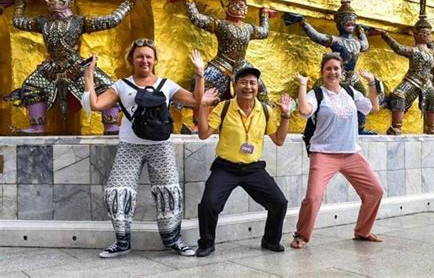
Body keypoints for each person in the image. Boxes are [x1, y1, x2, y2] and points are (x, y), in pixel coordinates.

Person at [82, 39, 204, 258]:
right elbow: (96, 104)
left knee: (168, 192)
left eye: (149, 56)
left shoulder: (167, 85)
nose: (144, 60)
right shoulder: (120, 85)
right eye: (140, 56)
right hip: (130, 146)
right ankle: (122, 242)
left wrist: (199, 73)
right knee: (117, 192)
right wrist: (89, 76)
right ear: (132, 60)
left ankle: (173, 240)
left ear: (155, 60)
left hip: (161, 146)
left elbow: (196, 100)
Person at [1, 0, 149, 135]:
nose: (51, 1)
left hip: (76, 67)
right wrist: (19, 4)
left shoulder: (80, 22)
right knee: (30, 88)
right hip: (51, 68)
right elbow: (19, 22)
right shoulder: (43, 22)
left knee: (108, 86)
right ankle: (37, 126)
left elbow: (112, 20)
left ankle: (111, 125)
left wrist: (128, 2)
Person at [291, 52, 384, 249]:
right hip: (324, 153)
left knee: (375, 191)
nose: (332, 72)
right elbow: (304, 111)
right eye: (328, 69)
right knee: (313, 197)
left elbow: (373, 107)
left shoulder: (350, 92)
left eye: (336, 69)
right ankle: (301, 235)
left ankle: (363, 231)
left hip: (351, 153)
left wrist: (372, 83)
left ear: (341, 72)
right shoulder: (316, 93)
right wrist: (302, 85)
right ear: (322, 72)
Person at [196, 67, 291, 257]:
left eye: (252, 83)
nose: (248, 86)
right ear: (235, 85)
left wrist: (286, 114)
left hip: (253, 169)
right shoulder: (223, 108)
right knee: (209, 204)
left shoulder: (264, 110)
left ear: (257, 87)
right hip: (226, 167)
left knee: (279, 202)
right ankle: (206, 244)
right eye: (244, 82)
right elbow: (203, 134)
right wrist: (203, 106)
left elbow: (279, 140)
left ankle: (270, 240)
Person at [283, 0, 377, 135]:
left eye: (352, 20)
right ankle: (316, 125)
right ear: (339, 22)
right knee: (320, 96)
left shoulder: (356, 42)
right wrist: (303, 22)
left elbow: (365, 45)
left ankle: (359, 128)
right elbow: (317, 37)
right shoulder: (336, 40)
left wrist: (361, 31)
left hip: (352, 76)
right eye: (347, 19)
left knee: (360, 100)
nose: (350, 22)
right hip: (335, 80)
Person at [373, 0, 434, 135]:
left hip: (427, 82)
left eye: (428, 33)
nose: (426, 35)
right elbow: (398, 48)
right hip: (412, 79)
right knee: (398, 95)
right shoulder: (414, 50)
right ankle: (396, 126)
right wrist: (385, 36)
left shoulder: (433, 53)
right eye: (423, 33)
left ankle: (432, 126)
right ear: (416, 35)